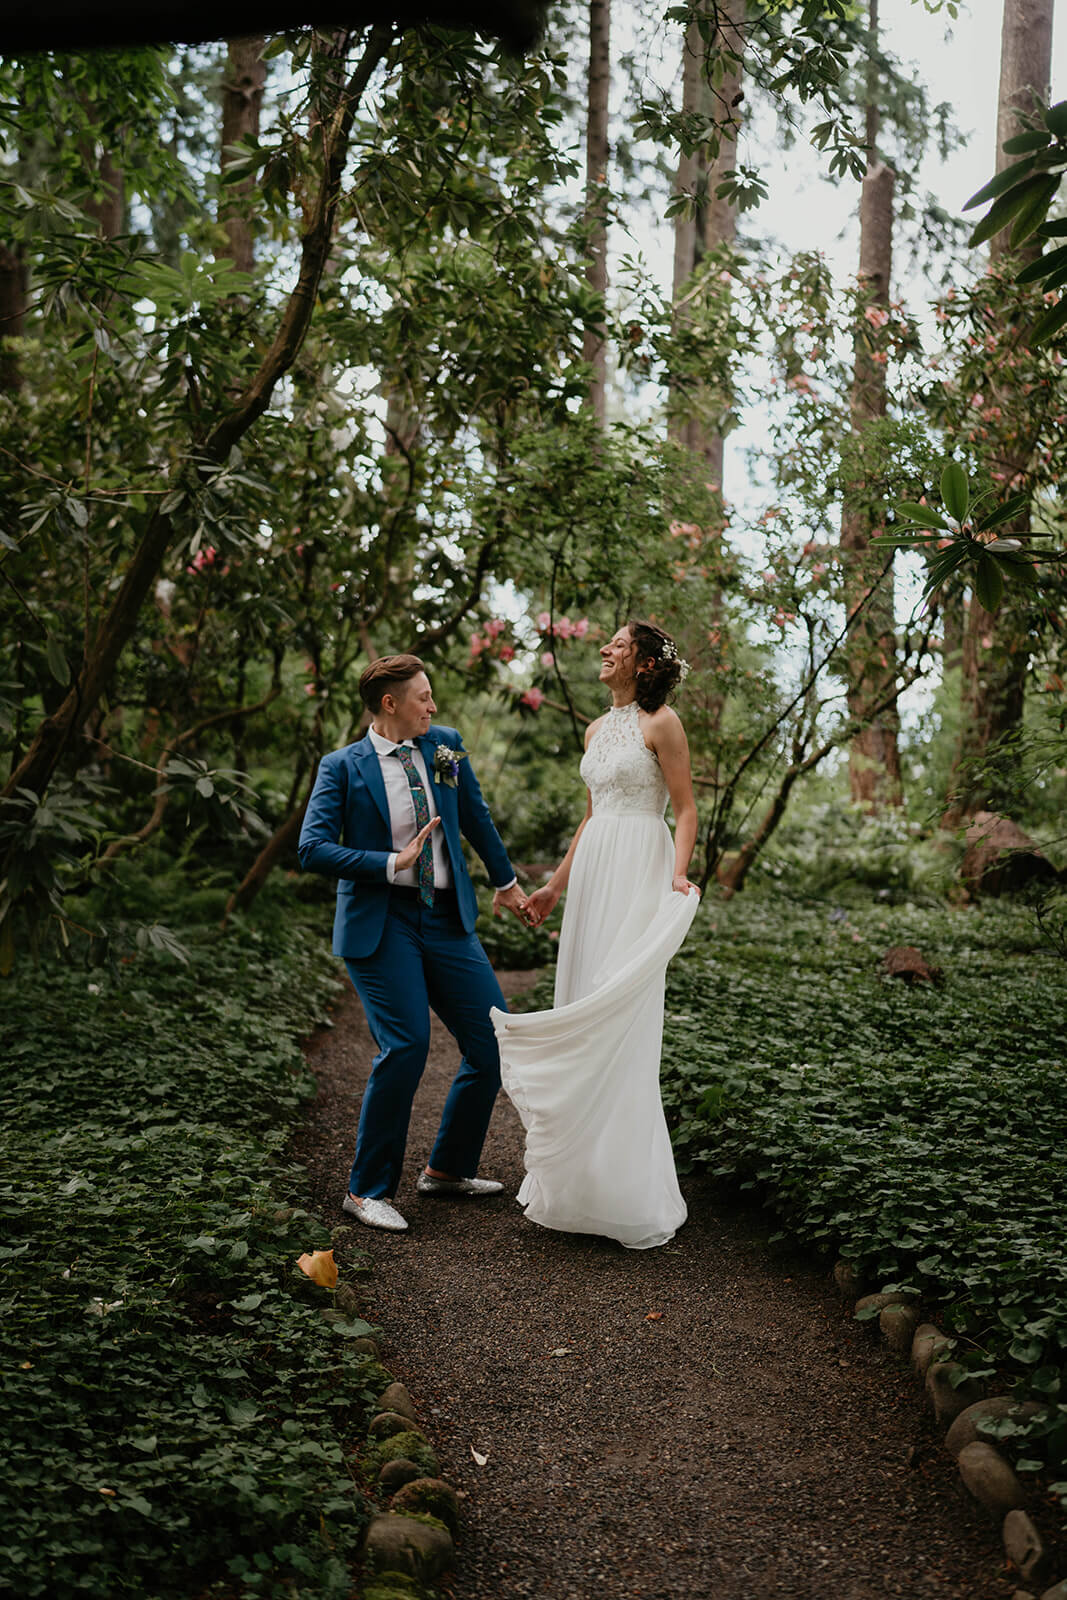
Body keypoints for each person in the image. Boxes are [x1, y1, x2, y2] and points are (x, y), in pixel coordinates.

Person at [298, 654, 529, 1233]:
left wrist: (506, 883)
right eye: (423, 696)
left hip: (447, 918)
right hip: (383, 919)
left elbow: (474, 815)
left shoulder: (443, 745)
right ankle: (365, 1190)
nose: (433, 705)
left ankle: (447, 1171)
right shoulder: (342, 767)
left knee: (491, 1040)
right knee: (406, 1046)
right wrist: (387, 862)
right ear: (389, 704)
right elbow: (312, 848)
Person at [492, 620, 700, 1250]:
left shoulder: (661, 723)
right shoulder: (593, 729)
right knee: (583, 1001)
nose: (605, 649)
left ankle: (627, 1189)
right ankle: (576, 1183)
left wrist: (678, 875)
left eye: (617, 643)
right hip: (594, 876)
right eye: (605, 641)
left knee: (621, 1010)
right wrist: (554, 886)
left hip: (640, 867)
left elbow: (686, 808)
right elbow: (590, 819)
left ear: (642, 662)